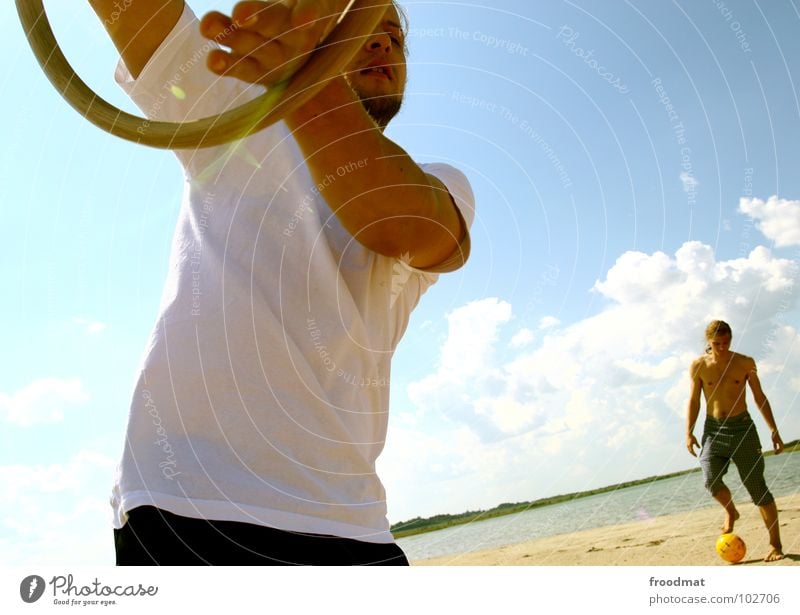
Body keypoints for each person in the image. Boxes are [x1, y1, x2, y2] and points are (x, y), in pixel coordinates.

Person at [89, 0, 474, 565]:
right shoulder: (233, 115)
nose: (381, 43)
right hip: (189, 503)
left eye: (392, 35)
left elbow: (398, 224)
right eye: (360, 29)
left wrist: (301, 75)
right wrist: (292, 71)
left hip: (346, 519)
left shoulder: (441, 181)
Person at [686, 320, 784, 562]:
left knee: (757, 488)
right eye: (716, 343)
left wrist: (773, 429)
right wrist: (689, 432)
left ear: (731, 339)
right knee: (710, 478)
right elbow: (694, 400)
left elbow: (759, 396)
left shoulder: (745, 363)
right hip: (713, 430)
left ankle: (776, 545)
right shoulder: (699, 366)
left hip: (743, 429)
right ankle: (731, 511)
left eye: (726, 342)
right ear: (708, 342)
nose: (721, 347)